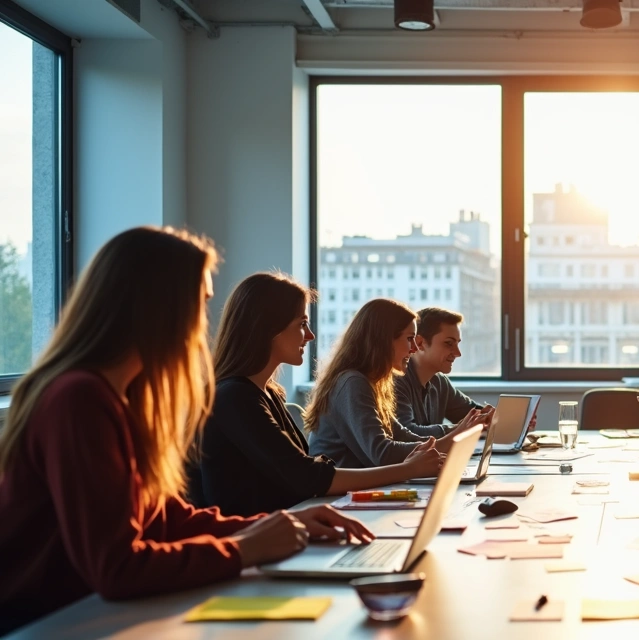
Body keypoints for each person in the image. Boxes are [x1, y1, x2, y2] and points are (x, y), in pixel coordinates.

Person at [0, 228, 371, 635]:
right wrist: (245, 547)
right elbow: (117, 568)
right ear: (160, 307)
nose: (204, 323)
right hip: (48, 624)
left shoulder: (126, 396)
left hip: (92, 614)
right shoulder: (79, 398)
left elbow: (163, 519)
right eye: (201, 303)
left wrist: (275, 526)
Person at [191, 273, 445, 517]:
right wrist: (407, 470)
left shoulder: (269, 393)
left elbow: (305, 472)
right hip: (256, 537)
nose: (310, 335)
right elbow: (307, 477)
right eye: (302, 324)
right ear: (268, 328)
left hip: (286, 524)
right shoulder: (234, 397)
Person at [306, 298, 493, 468]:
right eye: (410, 339)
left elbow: (404, 436)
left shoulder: (373, 383)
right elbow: (383, 453)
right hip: (341, 492)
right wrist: (455, 434)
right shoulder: (353, 383)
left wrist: (458, 433)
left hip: (366, 487)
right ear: (384, 340)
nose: (415, 348)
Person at [396, 307, 535, 436]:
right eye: (449, 343)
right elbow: (406, 434)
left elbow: (471, 414)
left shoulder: (439, 381)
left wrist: (512, 421)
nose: (458, 353)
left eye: (457, 343)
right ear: (420, 343)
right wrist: (462, 428)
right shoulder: (396, 382)